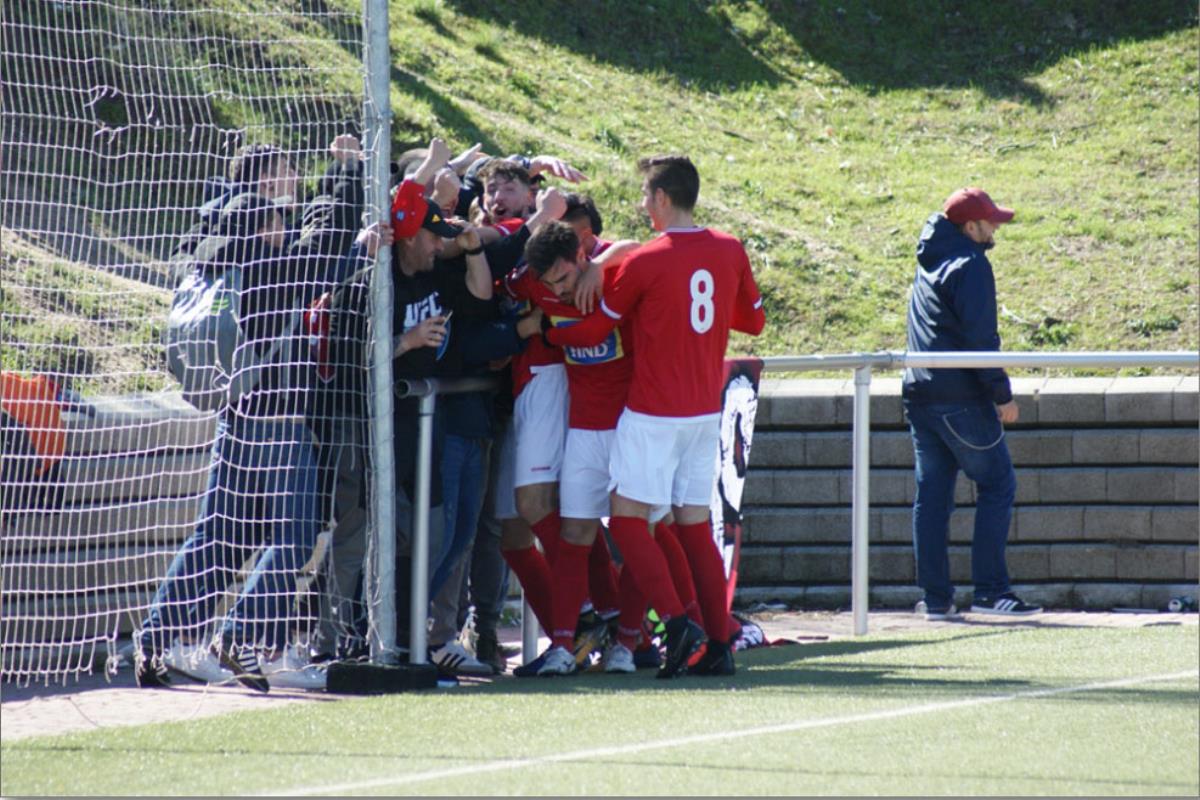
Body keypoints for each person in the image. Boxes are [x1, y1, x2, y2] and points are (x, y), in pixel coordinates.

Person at [544, 155, 765, 678]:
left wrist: (545, 331)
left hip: (652, 411)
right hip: (701, 414)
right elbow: (752, 321)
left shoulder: (647, 259)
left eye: (646, 197)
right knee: (692, 526)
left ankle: (675, 622)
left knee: (626, 521)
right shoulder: (730, 248)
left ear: (663, 198)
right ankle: (718, 644)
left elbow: (596, 327)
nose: (643, 206)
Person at [136, 193, 322, 691]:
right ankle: (239, 636)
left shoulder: (213, 267)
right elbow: (333, 255)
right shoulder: (277, 268)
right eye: (279, 218)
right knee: (293, 536)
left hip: (232, 416)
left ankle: (157, 640)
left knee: (216, 535)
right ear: (265, 227)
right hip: (279, 422)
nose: (286, 227)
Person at [902, 187, 1042, 620]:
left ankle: (937, 599)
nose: (996, 227)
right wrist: (1002, 395)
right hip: (960, 398)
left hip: (920, 395)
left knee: (933, 498)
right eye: (990, 222)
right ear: (970, 226)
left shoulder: (929, 264)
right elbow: (982, 339)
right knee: (998, 483)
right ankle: (991, 591)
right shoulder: (973, 264)